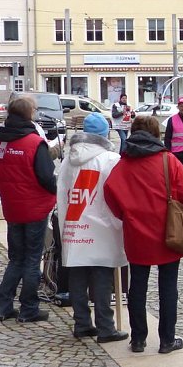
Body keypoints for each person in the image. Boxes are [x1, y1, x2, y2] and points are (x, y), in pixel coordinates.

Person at [103, 115, 183, 354]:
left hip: (136, 231)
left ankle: (138, 339)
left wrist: (126, 215)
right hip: (168, 230)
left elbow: (110, 193)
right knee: (168, 286)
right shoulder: (168, 160)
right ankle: (167, 340)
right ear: (156, 134)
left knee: (137, 286)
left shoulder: (123, 164)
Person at [56, 112, 127, 342]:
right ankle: (105, 327)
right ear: (105, 134)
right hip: (100, 225)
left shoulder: (69, 159)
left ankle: (82, 323)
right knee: (102, 276)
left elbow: (62, 191)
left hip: (75, 224)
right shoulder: (110, 159)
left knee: (77, 274)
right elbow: (118, 191)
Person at [0, 96, 58, 323]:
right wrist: (56, 190)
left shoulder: (3, 141)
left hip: (12, 206)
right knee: (33, 258)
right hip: (34, 207)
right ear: (29, 113)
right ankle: (29, 308)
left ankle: (3, 306)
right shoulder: (34, 142)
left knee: (16, 258)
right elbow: (46, 177)